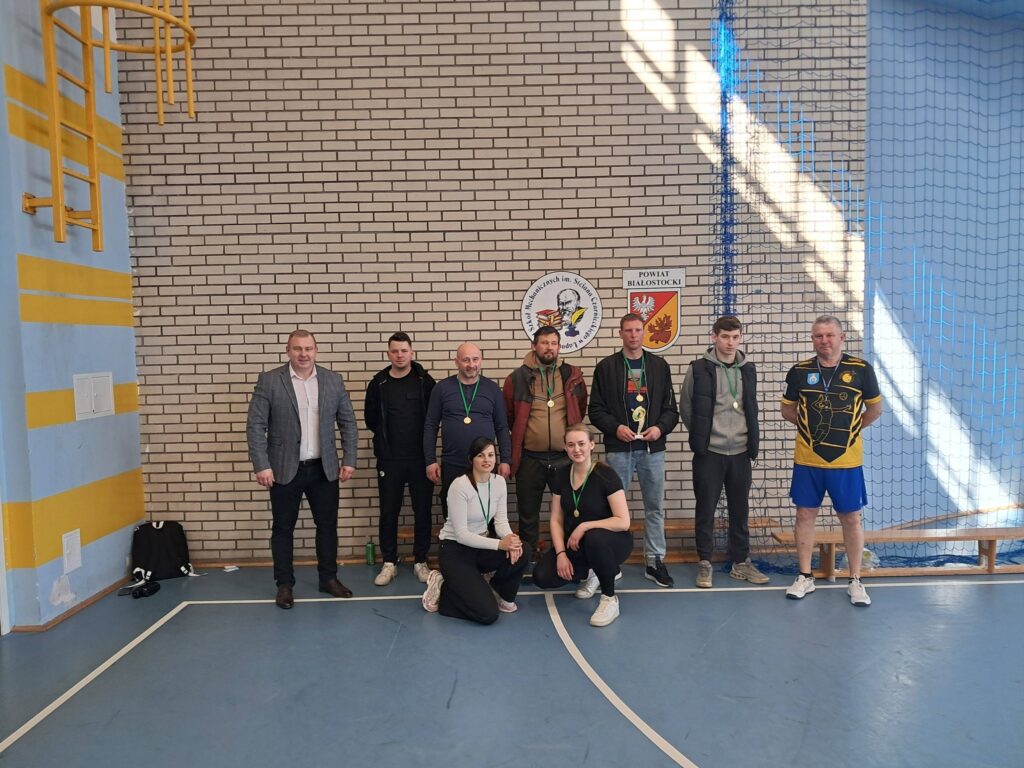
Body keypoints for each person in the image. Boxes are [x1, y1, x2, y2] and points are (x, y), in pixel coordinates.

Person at [246, 330, 358, 609]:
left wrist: (349, 459)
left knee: (328, 527)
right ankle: (284, 585)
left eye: (308, 348)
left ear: (316, 350)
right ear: (288, 351)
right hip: (283, 469)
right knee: (283, 528)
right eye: (297, 349)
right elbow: (255, 425)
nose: (303, 354)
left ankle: (328, 579)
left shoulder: (333, 380)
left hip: (324, 468)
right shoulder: (270, 381)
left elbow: (348, 422)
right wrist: (262, 465)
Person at [780, 315, 883, 606]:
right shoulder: (799, 371)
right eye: (818, 336)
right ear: (812, 339)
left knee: (851, 518)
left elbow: (875, 410)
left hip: (846, 462)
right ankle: (805, 576)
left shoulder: (861, 369)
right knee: (804, 514)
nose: (824, 340)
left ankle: (855, 580)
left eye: (829, 335)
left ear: (842, 338)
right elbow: (788, 411)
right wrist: (812, 431)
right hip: (808, 459)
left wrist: (849, 431)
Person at [589, 313, 679, 587]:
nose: (633, 335)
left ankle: (654, 561)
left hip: (653, 450)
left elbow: (671, 410)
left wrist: (660, 429)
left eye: (638, 330)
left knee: (655, 507)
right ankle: (611, 561)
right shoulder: (606, 367)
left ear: (644, 332)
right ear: (620, 333)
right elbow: (595, 410)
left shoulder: (659, 366)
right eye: (628, 330)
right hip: (619, 449)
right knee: (612, 508)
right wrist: (615, 428)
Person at [680, 316, 768, 588]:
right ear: (714, 337)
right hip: (710, 453)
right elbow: (686, 407)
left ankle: (740, 563)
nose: (730, 343)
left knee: (740, 511)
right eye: (725, 337)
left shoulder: (748, 369)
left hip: (740, 452)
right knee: (705, 509)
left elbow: (750, 407)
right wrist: (702, 437)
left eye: (735, 337)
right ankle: (705, 563)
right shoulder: (698, 369)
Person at [421, 437, 530, 624]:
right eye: (481, 455)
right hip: (455, 551)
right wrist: (500, 544)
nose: (487, 460)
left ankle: (499, 594)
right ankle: (443, 589)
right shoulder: (459, 486)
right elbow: (462, 535)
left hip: (480, 547)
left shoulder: (499, 482)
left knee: (523, 550)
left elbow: (501, 522)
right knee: (488, 615)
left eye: (491, 455)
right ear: (471, 459)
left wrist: (511, 540)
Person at [532, 424, 633, 627]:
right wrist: (561, 554)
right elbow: (556, 519)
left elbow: (623, 521)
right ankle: (595, 571)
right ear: (565, 448)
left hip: (611, 541)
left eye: (581, 444)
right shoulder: (561, 475)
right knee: (542, 577)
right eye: (571, 445)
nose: (576, 449)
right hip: (576, 544)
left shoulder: (606, 475)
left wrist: (584, 526)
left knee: (595, 538)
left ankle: (609, 599)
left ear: (591, 445)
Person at [502, 326, 588, 555]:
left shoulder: (572, 376)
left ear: (559, 347)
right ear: (534, 346)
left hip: (564, 458)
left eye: (553, 343)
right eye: (544, 342)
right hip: (530, 458)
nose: (549, 348)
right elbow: (509, 416)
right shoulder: (516, 379)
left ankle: (570, 557)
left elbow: (580, 409)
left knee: (571, 510)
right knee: (528, 513)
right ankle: (529, 559)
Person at [365, 332, 436, 586]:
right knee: (389, 511)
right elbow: (371, 419)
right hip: (389, 460)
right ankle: (389, 562)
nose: (399, 355)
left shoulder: (424, 381)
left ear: (411, 353)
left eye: (404, 351)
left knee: (422, 511)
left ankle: (420, 561)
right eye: (394, 351)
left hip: (420, 459)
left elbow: (434, 417)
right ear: (388, 354)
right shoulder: (379, 383)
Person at [423, 343, 512, 517]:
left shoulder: (492, 389)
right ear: (456, 362)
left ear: (481, 360)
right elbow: (430, 426)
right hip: (453, 463)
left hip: (485, 464)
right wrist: (430, 460)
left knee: (486, 511)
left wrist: (506, 460)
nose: (471, 364)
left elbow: (502, 427)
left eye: (475, 359)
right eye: (466, 360)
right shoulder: (442, 388)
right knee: (452, 512)